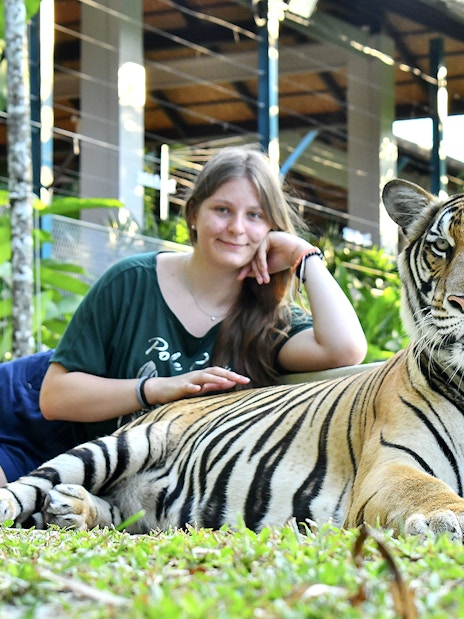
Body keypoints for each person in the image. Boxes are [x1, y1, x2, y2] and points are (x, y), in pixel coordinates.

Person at [0, 146, 367, 486]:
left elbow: (347, 349)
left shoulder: (268, 319)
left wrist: (305, 257)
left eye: (255, 215)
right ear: (194, 214)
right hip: (33, 422)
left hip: (101, 469)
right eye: (222, 210)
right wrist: (158, 389)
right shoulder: (131, 280)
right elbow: (54, 397)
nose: (237, 228)